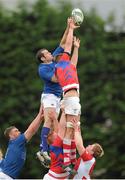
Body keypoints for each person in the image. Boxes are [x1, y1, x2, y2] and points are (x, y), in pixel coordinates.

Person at [36, 17, 73, 165]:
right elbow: (56, 79)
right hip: (49, 96)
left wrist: (69, 27)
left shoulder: (52, 60)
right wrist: (62, 66)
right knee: (50, 116)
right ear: (43, 58)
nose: (50, 53)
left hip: (58, 96)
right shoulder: (43, 68)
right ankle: (47, 148)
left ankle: (43, 149)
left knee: (50, 122)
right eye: (47, 53)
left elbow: (63, 43)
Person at [43, 112, 104, 180]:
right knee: (70, 136)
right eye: (54, 133)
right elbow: (61, 130)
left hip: (57, 176)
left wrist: (76, 127)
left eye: (91, 146)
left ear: (92, 152)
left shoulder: (88, 158)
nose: (89, 145)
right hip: (57, 177)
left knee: (70, 136)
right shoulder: (56, 146)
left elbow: (78, 144)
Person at [54, 18, 81, 172]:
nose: (67, 52)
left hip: (73, 99)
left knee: (71, 129)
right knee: (71, 129)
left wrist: (76, 47)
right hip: (71, 99)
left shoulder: (65, 66)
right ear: (61, 56)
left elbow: (74, 63)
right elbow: (67, 44)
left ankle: (69, 160)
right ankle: (67, 161)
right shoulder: (61, 63)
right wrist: (70, 28)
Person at [0, 106, 43, 180]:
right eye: (16, 131)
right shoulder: (17, 142)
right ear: (11, 136)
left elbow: (1, 160)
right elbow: (31, 130)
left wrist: (41, 117)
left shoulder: (13, 145)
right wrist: (40, 115)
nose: (19, 132)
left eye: (18, 130)